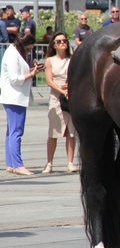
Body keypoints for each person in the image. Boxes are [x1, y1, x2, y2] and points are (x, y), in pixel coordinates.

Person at [0, 33, 42, 175]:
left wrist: (31, 69)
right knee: (16, 132)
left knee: (11, 132)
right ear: (23, 45)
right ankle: (18, 164)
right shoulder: (12, 54)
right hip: (15, 98)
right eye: (29, 49)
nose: (29, 51)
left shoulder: (14, 52)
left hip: (13, 97)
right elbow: (14, 79)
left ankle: (11, 164)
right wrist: (31, 74)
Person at [40, 32, 78, 174]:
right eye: (59, 41)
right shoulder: (50, 60)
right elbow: (49, 81)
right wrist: (62, 91)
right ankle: (49, 163)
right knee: (53, 132)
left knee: (71, 132)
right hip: (57, 97)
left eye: (64, 41)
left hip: (69, 97)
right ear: (54, 45)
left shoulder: (71, 59)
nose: (63, 43)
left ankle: (70, 162)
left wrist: (68, 88)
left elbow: (75, 76)